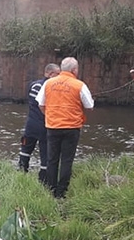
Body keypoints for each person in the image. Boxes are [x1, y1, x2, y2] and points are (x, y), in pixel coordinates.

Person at [36, 57, 95, 198]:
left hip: (52, 126)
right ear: (74, 70)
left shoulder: (48, 83)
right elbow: (90, 106)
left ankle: (51, 189)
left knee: (52, 159)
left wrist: (49, 115)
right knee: (67, 160)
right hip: (71, 127)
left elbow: (40, 103)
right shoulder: (79, 85)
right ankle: (61, 193)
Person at [18, 63, 60, 183]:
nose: (59, 77)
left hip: (31, 124)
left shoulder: (33, 84)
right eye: (58, 74)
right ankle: (43, 179)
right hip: (45, 125)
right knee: (46, 153)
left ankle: (22, 172)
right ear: (50, 74)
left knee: (25, 149)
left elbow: (31, 102)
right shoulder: (52, 87)